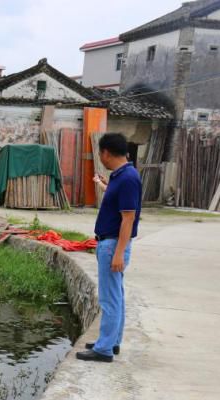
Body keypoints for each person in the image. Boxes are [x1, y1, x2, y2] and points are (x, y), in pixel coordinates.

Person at [77, 132, 141, 363]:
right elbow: (118, 204)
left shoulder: (127, 179)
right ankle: (111, 341)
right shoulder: (121, 176)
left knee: (109, 298)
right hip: (110, 242)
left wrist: (118, 253)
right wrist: (104, 185)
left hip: (113, 243)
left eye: (100, 154)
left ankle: (104, 349)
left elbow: (128, 218)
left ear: (105, 153)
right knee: (117, 296)